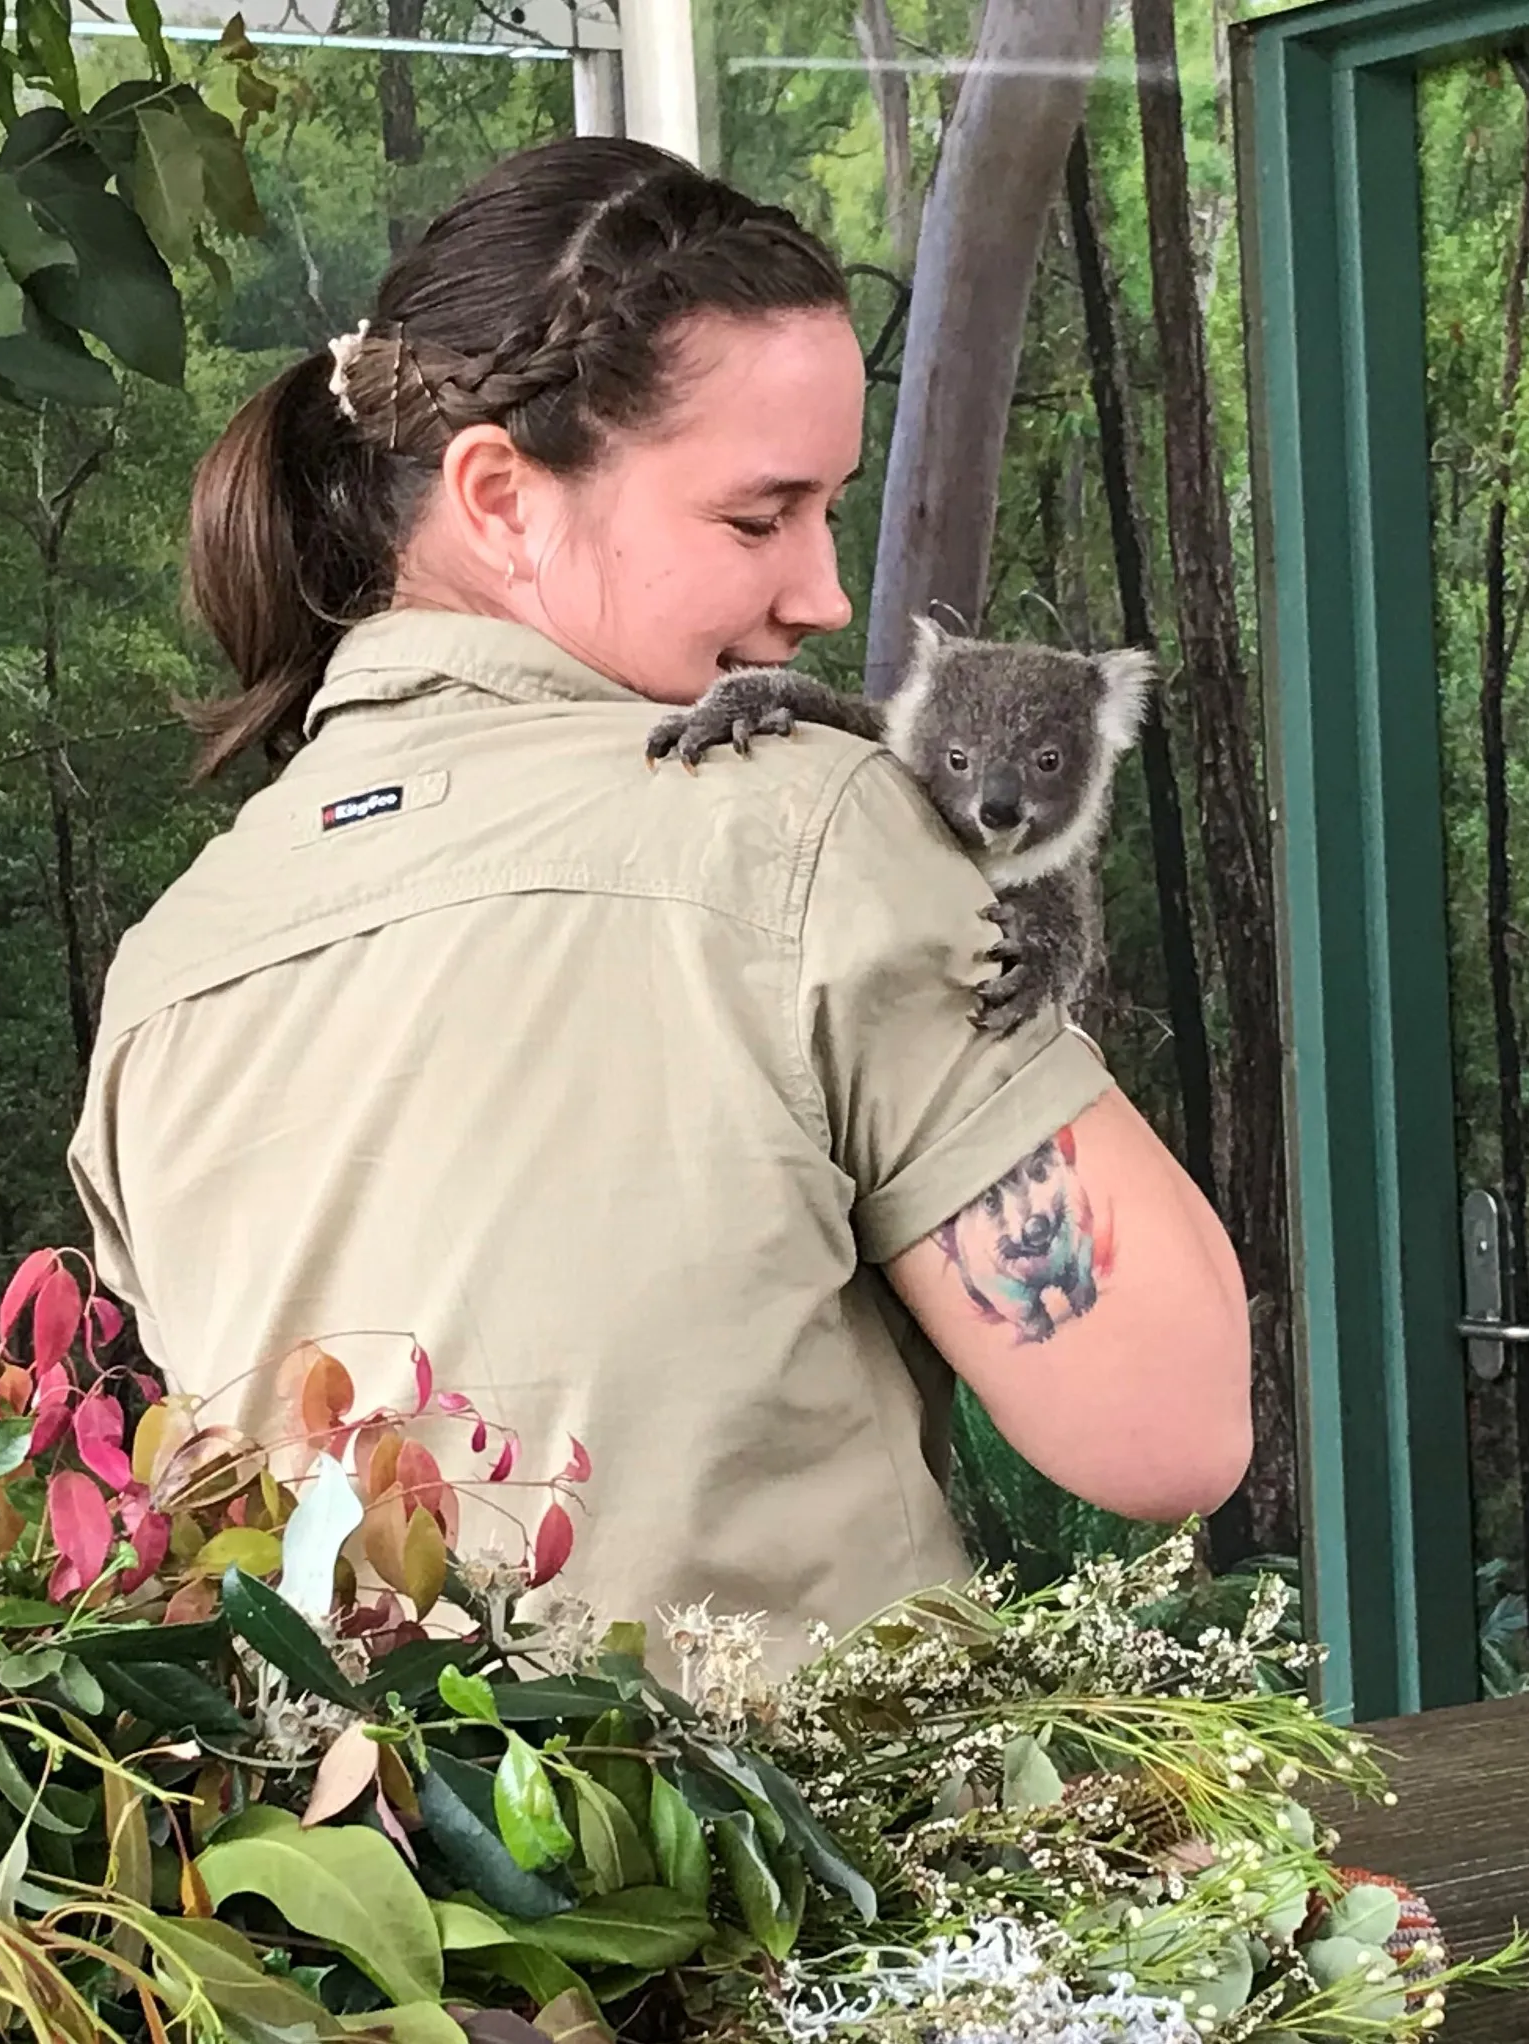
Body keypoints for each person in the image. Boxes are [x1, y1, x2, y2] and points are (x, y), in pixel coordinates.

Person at [67, 136, 1250, 1668]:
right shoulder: (799, 826)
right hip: (808, 1862)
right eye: (760, 520)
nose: (823, 595)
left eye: (832, 511)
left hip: (343, 1870)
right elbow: (1166, 1427)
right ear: (499, 495)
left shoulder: (177, 960)